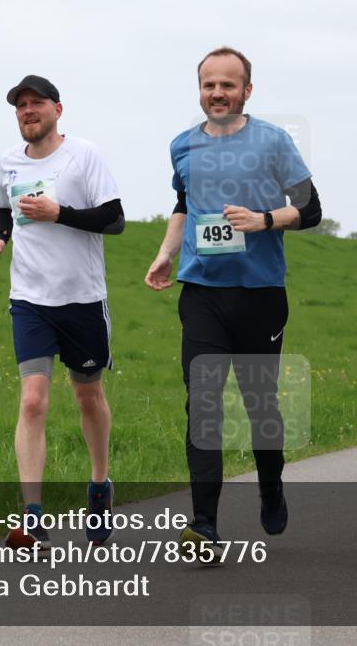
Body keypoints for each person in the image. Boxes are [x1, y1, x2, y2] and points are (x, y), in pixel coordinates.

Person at [144, 47, 322, 559]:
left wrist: (264, 220)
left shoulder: (273, 141)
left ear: (247, 90)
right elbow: (184, 205)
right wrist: (164, 255)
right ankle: (203, 527)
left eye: (228, 84)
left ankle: (270, 483)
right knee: (202, 405)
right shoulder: (182, 146)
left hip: (261, 295)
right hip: (201, 292)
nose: (217, 93)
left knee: (260, 405)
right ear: (199, 90)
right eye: (208, 85)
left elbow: (310, 209)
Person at [0, 75, 126, 549]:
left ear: (57, 110)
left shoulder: (83, 155)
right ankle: (32, 517)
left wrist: (59, 213)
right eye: (20, 105)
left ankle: (100, 484)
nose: (28, 111)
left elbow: (114, 219)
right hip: (29, 300)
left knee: (87, 397)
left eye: (36, 103)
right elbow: (5, 212)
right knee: (32, 401)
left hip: (82, 300)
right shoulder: (7, 162)